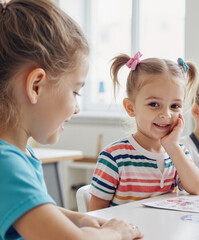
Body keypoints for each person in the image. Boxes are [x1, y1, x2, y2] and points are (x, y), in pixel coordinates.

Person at [0, 0, 143, 239]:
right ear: (36, 86)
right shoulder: (7, 164)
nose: (77, 108)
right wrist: (115, 233)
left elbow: (26, 212)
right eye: (75, 92)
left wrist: (78, 218)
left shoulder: (18, 155)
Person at [88, 52, 199, 210]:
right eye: (154, 104)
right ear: (131, 107)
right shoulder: (114, 157)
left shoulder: (178, 152)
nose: (166, 114)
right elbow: (95, 214)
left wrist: (173, 147)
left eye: (175, 106)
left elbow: (196, 188)